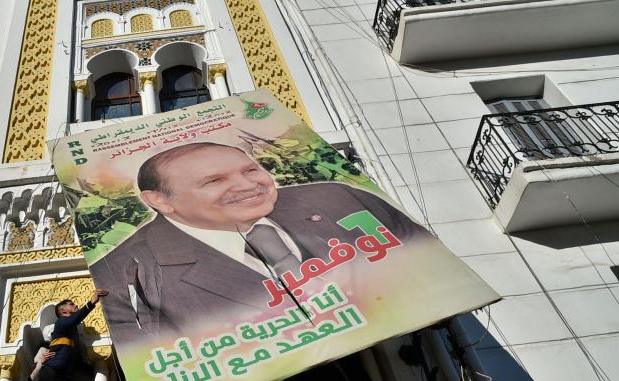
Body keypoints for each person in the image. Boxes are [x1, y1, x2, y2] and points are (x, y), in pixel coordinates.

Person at [93, 142, 433, 346]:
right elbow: (157, 365)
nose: (248, 186)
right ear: (161, 201)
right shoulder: (125, 274)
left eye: (251, 170)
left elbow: (429, 264)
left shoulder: (336, 197)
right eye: (214, 180)